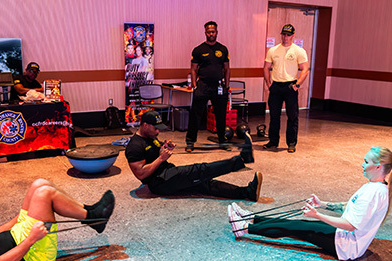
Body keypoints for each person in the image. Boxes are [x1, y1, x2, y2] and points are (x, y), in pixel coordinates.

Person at [228, 146, 392, 261]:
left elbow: (351, 225)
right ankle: (250, 218)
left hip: (344, 245)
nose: (362, 165)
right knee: (295, 224)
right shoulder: (376, 186)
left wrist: (317, 215)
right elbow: (350, 207)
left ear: (379, 166)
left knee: (294, 228)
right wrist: (322, 204)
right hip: (342, 236)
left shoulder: (374, 193)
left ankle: (244, 228)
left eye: (366, 162)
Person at [125, 110, 263, 201]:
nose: (158, 132)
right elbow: (141, 174)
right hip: (160, 182)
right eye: (155, 128)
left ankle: (246, 192)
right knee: (201, 170)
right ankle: (242, 159)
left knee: (205, 184)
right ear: (144, 125)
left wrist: (164, 147)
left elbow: (155, 151)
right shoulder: (134, 146)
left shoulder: (150, 136)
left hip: (168, 173)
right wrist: (161, 158)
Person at [263, 24, 309, 153]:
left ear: (293, 35)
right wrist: (269, 83)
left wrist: (297, 84)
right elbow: (266, 67)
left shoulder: (299, 51)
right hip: (276, 86)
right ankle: (273, 141)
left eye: (288, 35)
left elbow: (305, 69)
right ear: (281, 35)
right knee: (274, 116)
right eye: (283, 34)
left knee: (292, 116)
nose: (285, 37)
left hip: (290, 87)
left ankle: (291, 143)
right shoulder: (273, 50)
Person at [186, 21, 231, 152]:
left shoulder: (223, 49)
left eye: (213, 31)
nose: (211, 33)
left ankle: (223, 142)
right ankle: (190, 142)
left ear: (217, 32)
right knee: (196, 114)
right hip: (203, 86)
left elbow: (227, 69)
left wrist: (227, 85)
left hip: (219, 86)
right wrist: (194, 85)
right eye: (209, 31)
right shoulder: (198, 50)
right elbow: (193, 69)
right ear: (205, 32)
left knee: (221, 115)